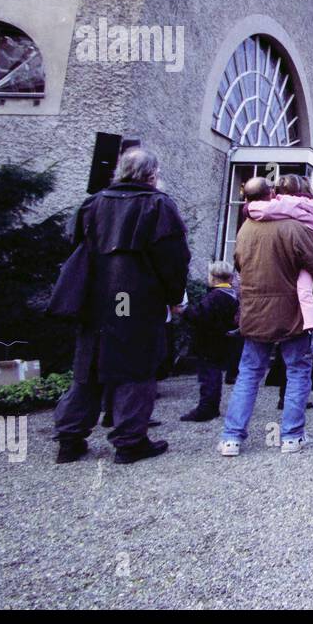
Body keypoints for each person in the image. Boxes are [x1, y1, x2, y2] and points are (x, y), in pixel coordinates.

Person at [53, 146, 191, 464]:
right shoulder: (158, 205)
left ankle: (70, 438)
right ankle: (129, 440)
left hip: (95, 297)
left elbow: (74, 247)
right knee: (134, 366)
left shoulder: (94, 203)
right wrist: (174, 298)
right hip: (131, 298)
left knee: (88, 367)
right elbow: (174, 259)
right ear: (152, 175)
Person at [217, 177, 313, 456]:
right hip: (291, 311)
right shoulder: (294, 228)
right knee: (297, 371)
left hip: (254, 311)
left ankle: (232, 437)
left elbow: (238, 265)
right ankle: (291, 435)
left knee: (249, 374)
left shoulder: (245, 230)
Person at [244, 175, 313, 333]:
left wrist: (247, 207)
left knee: (299, 289)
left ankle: (311, 324)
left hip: (299, 250)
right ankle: (312, 323)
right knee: (305, 289)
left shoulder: (287, 204)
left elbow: (263, 211)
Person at [178, 260, 241, 422]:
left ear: (213, 278)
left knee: (208, 376)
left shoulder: (214, 297)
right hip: (221, 341)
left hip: (208, 342)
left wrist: (183, 311)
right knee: (214, 375)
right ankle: (212, 406)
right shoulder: (231, 295)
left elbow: (200, 316)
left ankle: (207, 408)